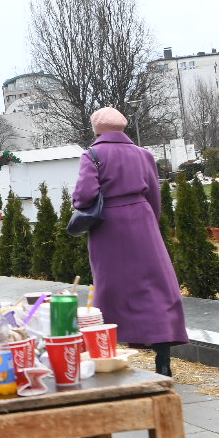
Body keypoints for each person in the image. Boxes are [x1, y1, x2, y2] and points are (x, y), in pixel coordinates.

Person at [72, 107, 187, 376]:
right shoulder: (143, 154)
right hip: (143, 221)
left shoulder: (93, 155)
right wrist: (149, 223)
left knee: (112, 288)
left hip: (108, 227)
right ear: (123, 128)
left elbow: (85, 195)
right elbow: (155, 196)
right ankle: (164, 360)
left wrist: (79, 203)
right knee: (155, 287)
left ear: (96, 129)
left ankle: (108, 355)